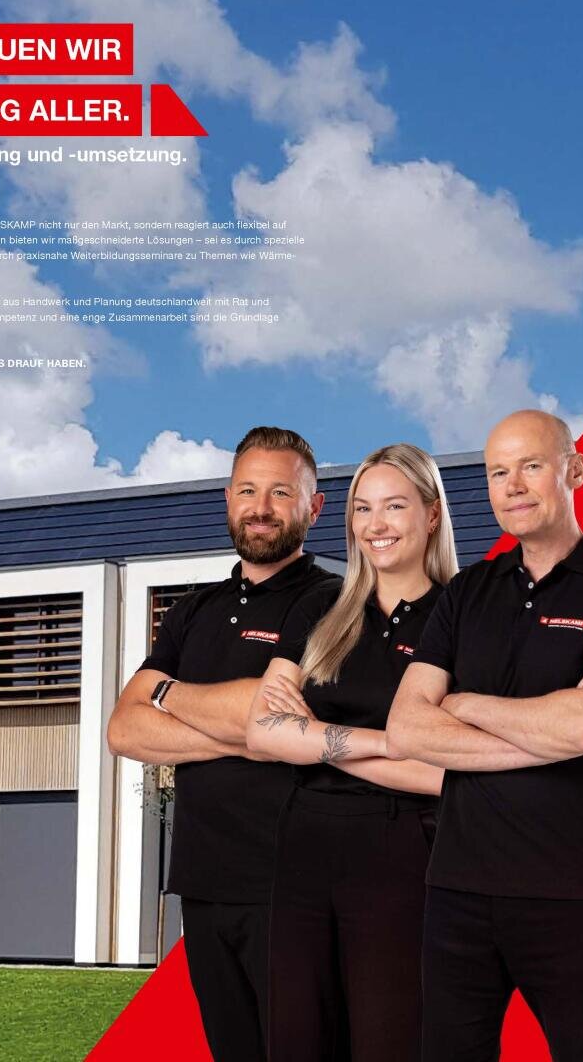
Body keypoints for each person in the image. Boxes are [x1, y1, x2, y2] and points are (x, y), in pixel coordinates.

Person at [386, 409, 583, 1062]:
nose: (511, 485)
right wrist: (550, 734)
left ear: (573, 470)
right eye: (496, 472)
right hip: (457, 891)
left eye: (529, 466)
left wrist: (464, 703)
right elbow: (405, 725)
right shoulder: (466, 592)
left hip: (575, 893)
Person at [106, 426, 339, 1062]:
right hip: (206, 882)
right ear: (227, 499)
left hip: (293, 885)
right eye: (246, 490)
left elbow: (265, 710)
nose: (260, 507)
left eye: (280, 493)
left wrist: (168, 696)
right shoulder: (193, 609)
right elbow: (123, 729)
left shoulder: (334, 601)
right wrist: (247, 735)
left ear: (313, 508)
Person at [244, 443, 455, 1062]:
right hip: (305, 845)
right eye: (363, 509)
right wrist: (390, 742)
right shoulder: (323, 608)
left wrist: (316, 741)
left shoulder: (464, 611)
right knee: (298, 1041)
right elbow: (263, 730)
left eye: (394, 506)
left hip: (406, 852)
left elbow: (450, 771)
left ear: (433, 513)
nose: (375, 525)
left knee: (389, 1041)